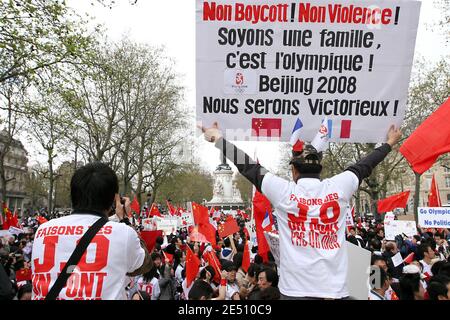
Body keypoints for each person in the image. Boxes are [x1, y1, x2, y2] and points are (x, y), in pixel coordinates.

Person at [200, 122, 401, 299]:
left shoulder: (283, 191)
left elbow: (247, 166)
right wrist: (389, 143)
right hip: (336, 290)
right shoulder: (340, 186)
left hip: (295, 290)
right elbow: (366, 165)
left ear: (294, 171)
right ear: (319, 170)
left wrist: (218, 138)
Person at [31, 162, 152, 300]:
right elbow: (144, 264)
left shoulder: (43, 230)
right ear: (114, 199)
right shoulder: (123, 233)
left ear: (73, 195)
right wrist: (125, 219)